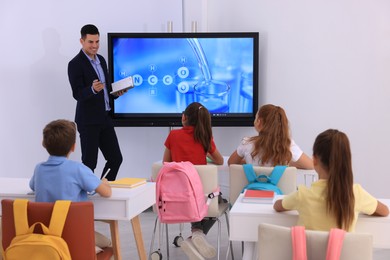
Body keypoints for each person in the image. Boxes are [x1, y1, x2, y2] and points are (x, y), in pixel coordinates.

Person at [274, 129, 389, 231]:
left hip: (310, 255)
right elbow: (385, 211)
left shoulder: (302, 195)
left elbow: (277, 206)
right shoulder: (355, 194)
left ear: (314, 160)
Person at [29, 119, 113, 251]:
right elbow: (106, 193)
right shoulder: (78, 169)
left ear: (43, 144)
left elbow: (33, 186)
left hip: (46, 235)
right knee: (109, 245)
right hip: (74, 235)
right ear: (73, 147)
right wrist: (104, 183)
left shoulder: (39, 168)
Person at [163, 102, 223, 260]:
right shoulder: (205, 137)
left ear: (184, 117)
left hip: (176, 197)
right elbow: (220, 161)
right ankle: (196, 234)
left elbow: (166, 163)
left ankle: (195, 235)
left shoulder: (173, 136)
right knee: (220, 202)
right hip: (201, 198)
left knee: (198, 201)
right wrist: (205, 156)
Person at [68, 24, 125, 181]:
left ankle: (102, 188)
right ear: (82, 41)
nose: (95, 46)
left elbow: (105, 90)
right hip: (88, 121)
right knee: (89, 163)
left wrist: (116, 94)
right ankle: (86, 197)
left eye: (97, 42)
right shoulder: (75, 64)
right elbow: (77, 93)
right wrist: (92, 90)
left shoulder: (101, 60)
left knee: (115, 159)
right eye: (91, 42)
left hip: (105, 118)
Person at [228, 104, 313, 169]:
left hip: (253, 191)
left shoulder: (246, 143)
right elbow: (311, 166)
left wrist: (248, 162)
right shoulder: (288, 145)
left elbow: (231, 163)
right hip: (280, 192)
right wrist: (287, 163)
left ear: (259, 121)